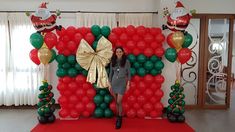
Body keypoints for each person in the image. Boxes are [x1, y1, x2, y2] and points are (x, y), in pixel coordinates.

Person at [108, 46, 131, 129]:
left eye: (120, 51)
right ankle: (118, 117)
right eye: (117, 52)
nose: (118, 53)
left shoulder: (126, 62)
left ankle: (120, 117)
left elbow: (129, 73)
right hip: (114, 83)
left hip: (122, 83)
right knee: (116, 101)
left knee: (119, 101)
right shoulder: (113, 61)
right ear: (115, 53)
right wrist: (109, 84)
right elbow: (110, 74)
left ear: (123, 52)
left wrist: (128, 84)